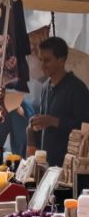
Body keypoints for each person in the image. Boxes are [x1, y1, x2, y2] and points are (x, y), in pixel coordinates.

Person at [28, 36, 89, 166]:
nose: (42, 65)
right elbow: (45, 122)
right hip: (47, 165)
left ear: (61, 60)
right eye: (41, 60)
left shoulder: (77, 89)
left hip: (70, 166)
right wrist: (37, 124)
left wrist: (54, 121)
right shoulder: (45, 87)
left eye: (47, 60)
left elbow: (85, 129)